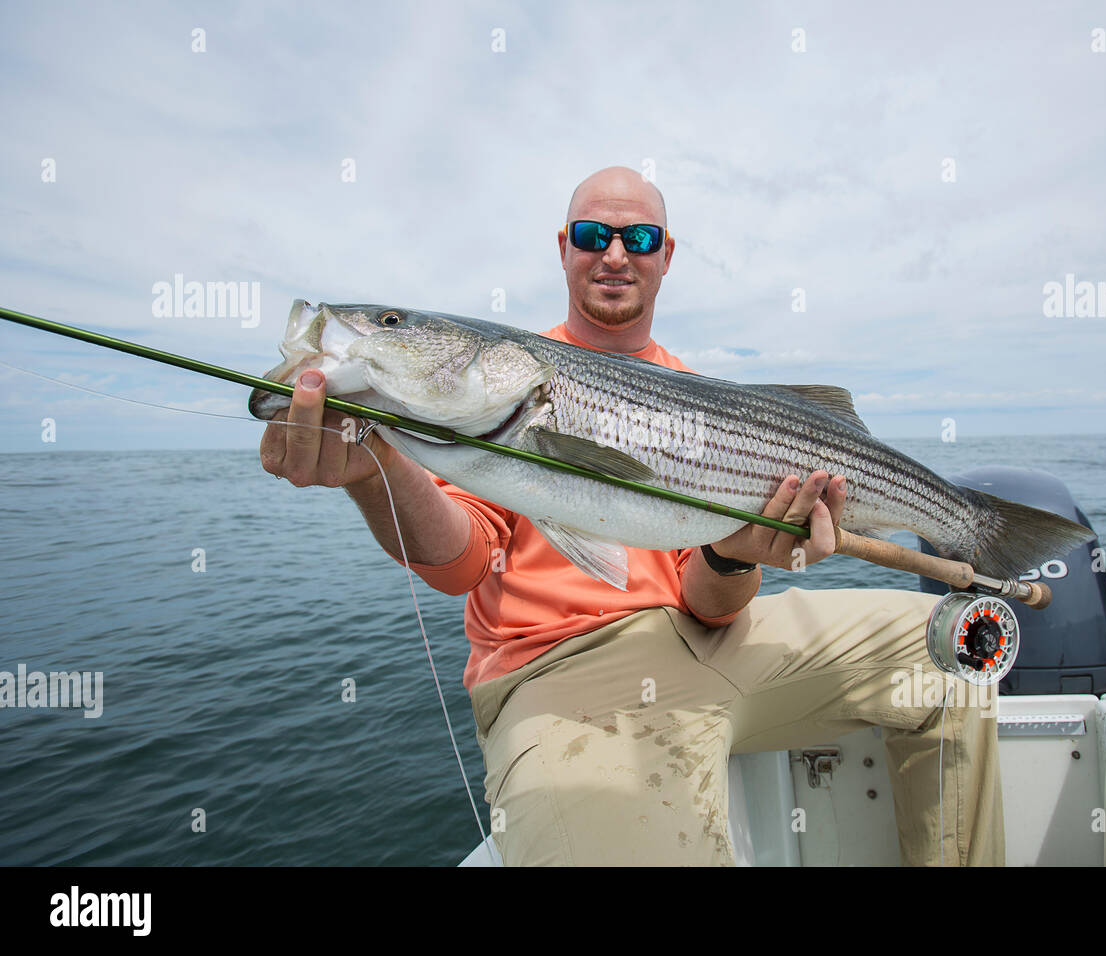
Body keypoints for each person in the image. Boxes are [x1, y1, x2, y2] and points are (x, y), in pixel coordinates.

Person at [258, 166, 1005, 866]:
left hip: (711, 644)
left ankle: (977, 534)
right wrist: (377, 469)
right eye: (592, 236)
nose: (614, 254)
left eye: (638, 239)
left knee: (952, 654)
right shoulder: (486, 414)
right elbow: (463, 565)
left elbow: (709, 606)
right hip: (559, 672)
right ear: (564, 250)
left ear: (664, 256)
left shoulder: (691, 389)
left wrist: (738, 552)